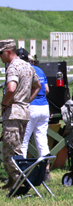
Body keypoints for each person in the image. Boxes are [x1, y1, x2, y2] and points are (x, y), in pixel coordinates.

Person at [0, 40, 40, 190]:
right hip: (24, 113)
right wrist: (26, 102)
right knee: (17, 148)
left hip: (13, 114)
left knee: (9, 151)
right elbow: (38, 86)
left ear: (8, 51)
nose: (0, 57)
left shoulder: (13, 67)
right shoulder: (27, 65)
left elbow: (11, 89)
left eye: (0, 54)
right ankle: (12, 181)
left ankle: (20, 182)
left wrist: (4, 104)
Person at [18, 52, 51, 181]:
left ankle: (23, 172)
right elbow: (47, 89)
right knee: (42, 140)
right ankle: (46, 170)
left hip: (31, 106)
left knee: (24, 141)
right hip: (44, 107)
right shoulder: (39, 70)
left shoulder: (23, 70)